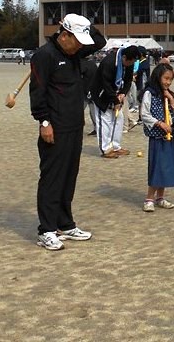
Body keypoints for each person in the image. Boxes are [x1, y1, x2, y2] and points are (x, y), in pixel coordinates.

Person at [29, 13, 106, 251]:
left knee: (69, 176)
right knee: (52, 177)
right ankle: (46, 230)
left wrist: (86, 26)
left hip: (74, 126)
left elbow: (100, 41)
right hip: (55, 127)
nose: (81, 46)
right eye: (77, 40)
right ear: (65, 35)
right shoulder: (44, 56)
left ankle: (65, 223)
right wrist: (44, 123)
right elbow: (37, 92)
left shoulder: (74, 52)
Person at [139, 64, 174, 212]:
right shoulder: (149, 93)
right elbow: (144, 114)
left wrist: (172, 100)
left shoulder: (167, 94)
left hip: (170, 137)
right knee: (157, 167)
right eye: (166, 78)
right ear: (158, 77)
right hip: (157, 137)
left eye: (170, 79)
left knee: (166, 167)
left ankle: (160, 197)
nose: (168, 82)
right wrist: (159, 123)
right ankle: (149, 199)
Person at [95, 45, 141, 158]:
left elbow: (128, 80)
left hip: (116, 93)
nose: (131, 65)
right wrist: (115, 101)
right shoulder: (109, 62)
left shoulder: (128, 63)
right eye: (131, 62)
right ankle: (105, 149)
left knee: (119, 119)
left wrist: (123, 93)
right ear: (124, 57)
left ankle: (116, 146)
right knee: (105, 121)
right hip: (102, 94)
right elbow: (106, 84)